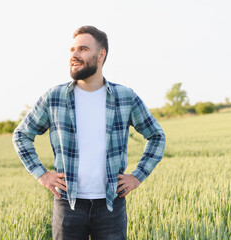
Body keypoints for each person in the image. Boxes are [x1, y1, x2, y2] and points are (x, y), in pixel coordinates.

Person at [12, 25, 166, 240]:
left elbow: (157, 136)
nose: (74, 55)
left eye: (83, 49)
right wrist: (42, 175)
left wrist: (138, 177)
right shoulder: (54, 97)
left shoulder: (125, 97)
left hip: (111, 204)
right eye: (72, 49)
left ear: (101, 55)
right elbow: (21, 135)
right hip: (68, 204)